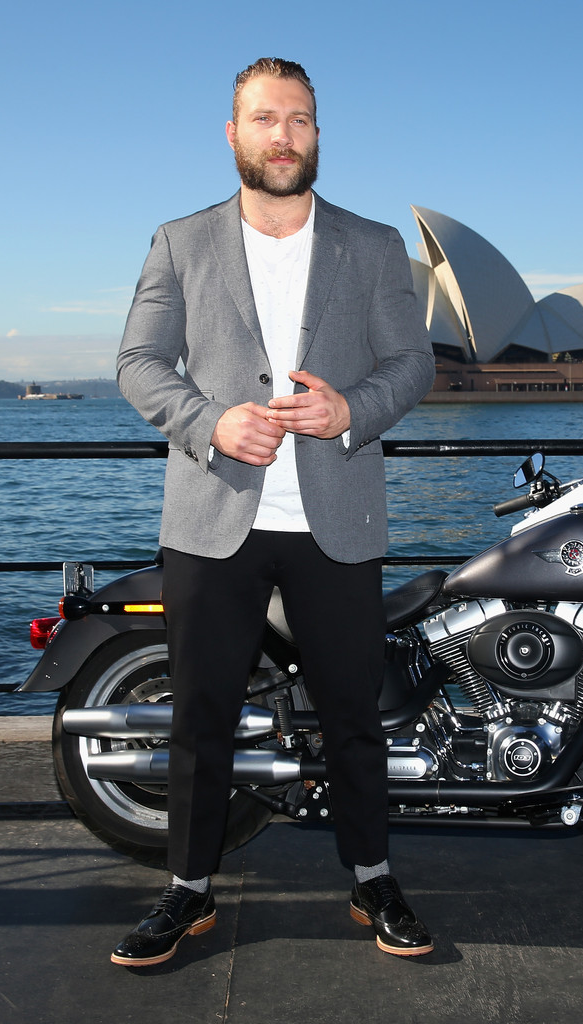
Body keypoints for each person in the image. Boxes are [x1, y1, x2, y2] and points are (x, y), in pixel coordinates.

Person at [112, 57, 436, 967]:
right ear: (233, 133)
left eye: (300, 120)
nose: (283, 135)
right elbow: (140, 363)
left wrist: (350, 411)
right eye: (265, 119)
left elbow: (410, 365)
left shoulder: (370, 246)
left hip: (335, 519)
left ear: (317, 133)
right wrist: (212, 423)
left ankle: (372, 878)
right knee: (200, 716)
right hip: (214, 519)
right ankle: (187, 891)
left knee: (352, 715)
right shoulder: (180, 242)